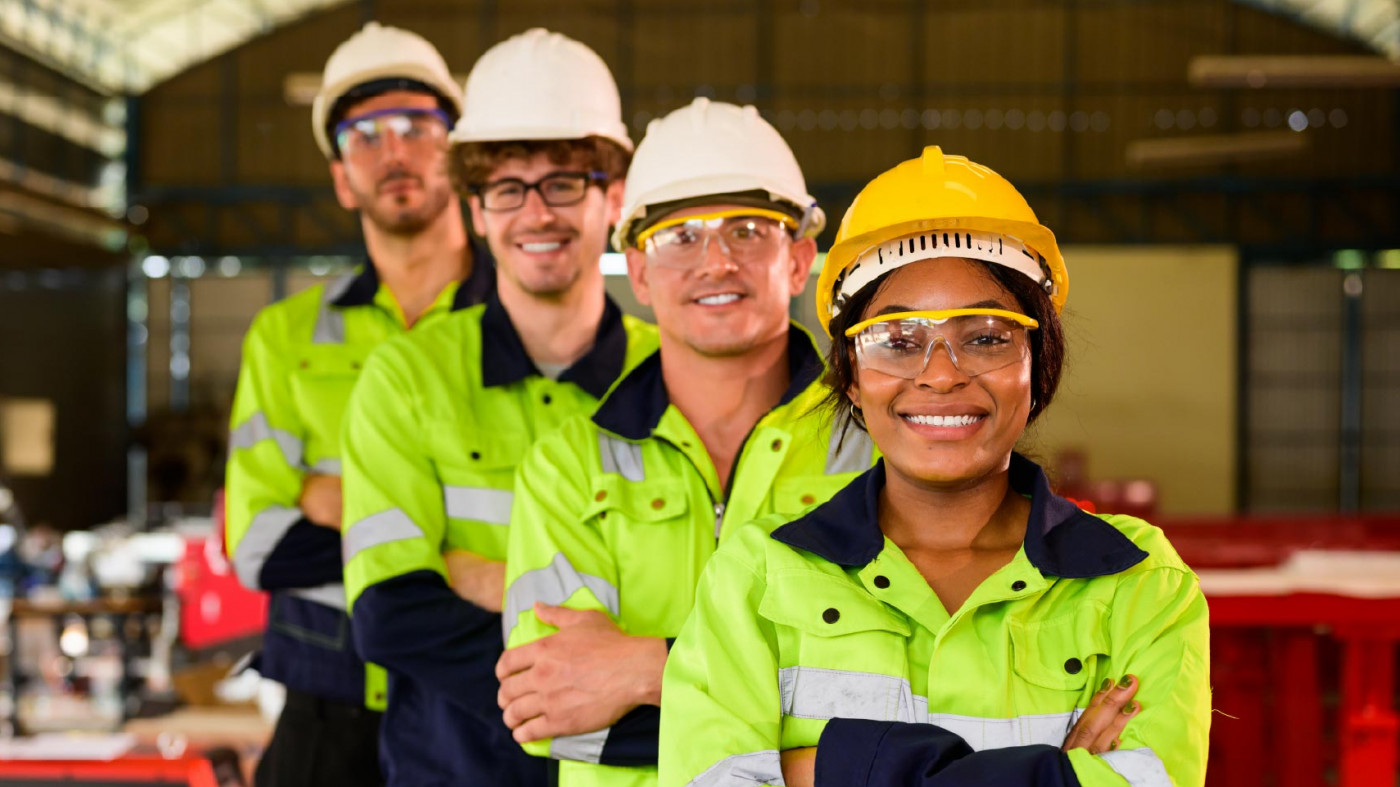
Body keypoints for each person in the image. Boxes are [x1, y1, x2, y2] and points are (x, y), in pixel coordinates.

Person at [658, 146, 1210, 787]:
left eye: (985, 336)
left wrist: (817, 772)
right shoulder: (756, 580)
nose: (942, 374)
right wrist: (1052, 774)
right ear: (853, 377)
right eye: (897, 341)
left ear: (1038, 364)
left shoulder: (1140, 585)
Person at [496, 97, 876, 787]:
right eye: (681, 237)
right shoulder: (566, 467)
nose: (715, 263)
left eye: (747, 231)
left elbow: (909, 694)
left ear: (799, 261)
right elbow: (554, 713)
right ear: (638, 272)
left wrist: (647, 667)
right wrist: (808, 743)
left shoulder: (876, 448)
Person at [338, 28, 657, 786]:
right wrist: (584, 696)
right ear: (475, 209)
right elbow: (389, 608)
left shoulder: (670, 372)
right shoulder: (407, 375)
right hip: (451, 764)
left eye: (564, 183)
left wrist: (487, 574)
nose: (536, 213)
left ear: (613, 198)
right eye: (508, 188)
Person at [224, 21, 488, 787]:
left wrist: (342, 499)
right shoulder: (285, 336)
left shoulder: (517, 326)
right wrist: (452, 546)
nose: (393, 151)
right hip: (322, 714)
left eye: (417, 126)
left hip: (472, 707)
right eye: (364, 136)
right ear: (342, 176)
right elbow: (259, 544)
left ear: (457, 156)